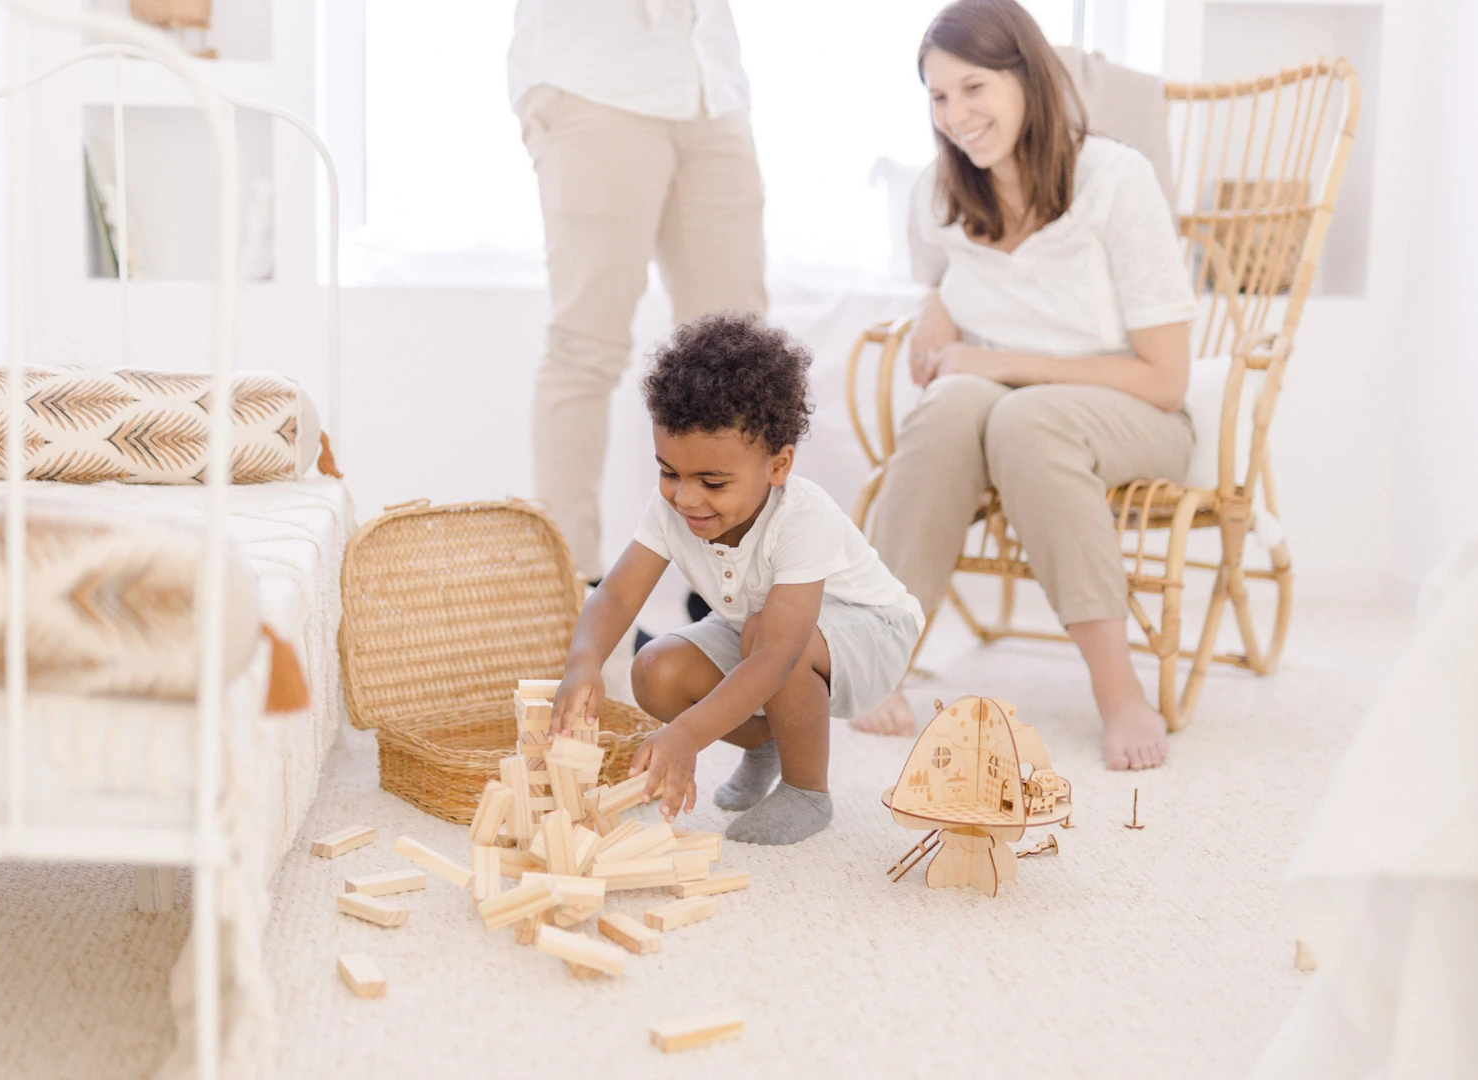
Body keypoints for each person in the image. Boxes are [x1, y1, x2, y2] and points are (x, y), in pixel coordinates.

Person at [851, 0, 1197, 773]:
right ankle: (883, 659)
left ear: (1026, 77)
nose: (956, 116)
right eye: (938, 97)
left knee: (1024, 419)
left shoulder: (1114, 180)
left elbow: (1166, 380)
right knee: (948, 407)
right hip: (999, 409)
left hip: (1132, 413)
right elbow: (942, 286)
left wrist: (1001, 363)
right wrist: (931, 303)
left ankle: (1118, 691)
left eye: (974, 88)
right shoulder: (939, 197)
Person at [549, 314, 924, 845]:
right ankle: (769, 741)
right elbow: (616, 592)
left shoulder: (802, 517)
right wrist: (583, 662)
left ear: (778, 465)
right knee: (655, 670)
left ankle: (806, 789)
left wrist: (689, 736)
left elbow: (775, 652)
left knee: (763, 639)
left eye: (713, 482)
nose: (686, 497)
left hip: (872, 634)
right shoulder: (672, 507)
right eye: (669, 471)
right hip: (767, 633)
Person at [508, 0, 767, 587]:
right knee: (585, 347)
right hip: (594, 77)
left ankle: (734, 589)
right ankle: (573, 597)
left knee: (740, 359)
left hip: (710, 82)